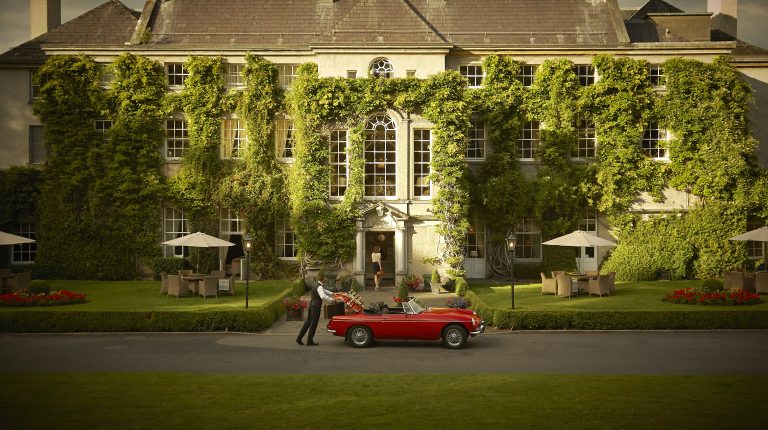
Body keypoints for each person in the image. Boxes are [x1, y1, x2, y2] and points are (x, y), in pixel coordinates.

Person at [296, 272, 338, 346]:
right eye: (325, 278)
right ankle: (309, 341)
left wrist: (332, 293)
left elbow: (324, 291)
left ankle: (299, 338)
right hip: (316, 307)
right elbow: (322, 296)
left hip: (311, 306)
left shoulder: (315, 284)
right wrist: (332, 299)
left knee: (307, 323)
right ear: (323, 278)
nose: (326, 279)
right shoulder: (319, 287)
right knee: (313, 324)